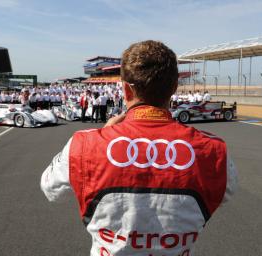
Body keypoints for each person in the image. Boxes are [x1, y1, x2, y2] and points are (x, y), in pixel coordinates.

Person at [40, 40, 237, 256]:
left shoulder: (83, 143)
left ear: (125, 89)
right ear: (174, 88)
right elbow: (226, 194)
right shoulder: (213, 149)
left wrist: (100, 136)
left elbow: (50, 188)